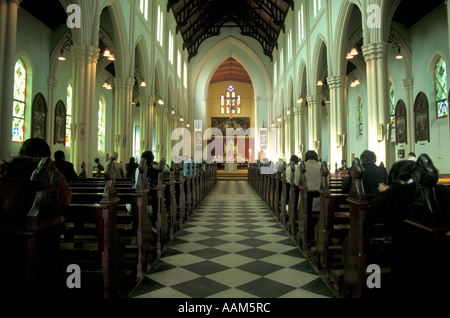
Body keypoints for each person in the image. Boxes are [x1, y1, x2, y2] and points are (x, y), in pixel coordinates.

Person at [367, 156, 450, 297]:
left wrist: (386, 191)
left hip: (405, 253)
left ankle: (373, 286)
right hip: (440, 254)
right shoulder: (442, 190)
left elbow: (373, 210)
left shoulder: (397, 191)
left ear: (398, 178)